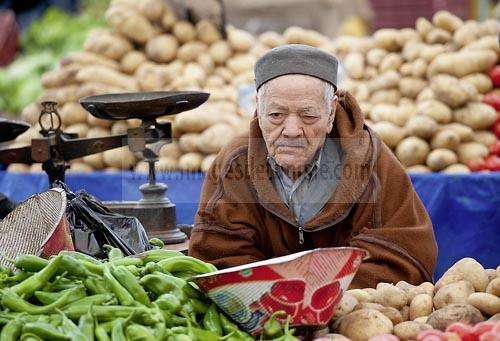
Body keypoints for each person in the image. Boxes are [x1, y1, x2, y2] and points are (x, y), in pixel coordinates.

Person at [188, 44, 437, 288]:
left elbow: (405, 254)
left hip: (352, 314)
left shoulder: (371, 162)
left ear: (330, 115)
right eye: (276, 115)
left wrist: (320, 293)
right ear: (259, 112)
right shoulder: (234, 164)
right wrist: (280, 296)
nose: (292, 131)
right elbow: (217, 257)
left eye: (308, 116)